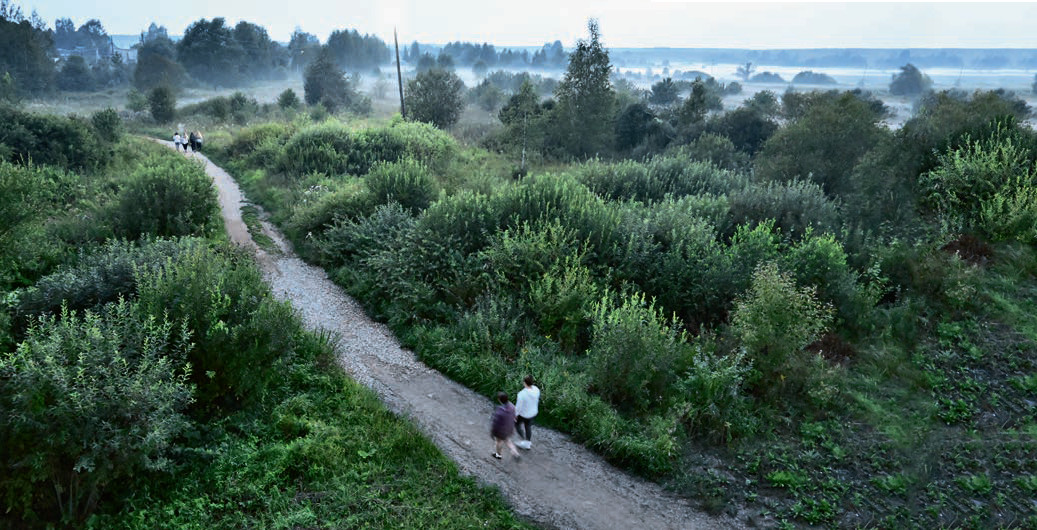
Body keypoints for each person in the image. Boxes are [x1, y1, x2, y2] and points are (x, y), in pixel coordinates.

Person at [490, 392, 520, 460]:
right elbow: (516, 416)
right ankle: (515, 453)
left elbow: (496, 422)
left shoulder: (500, 410)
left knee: (499, 441)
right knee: (507, 440)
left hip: (501, 430)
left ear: (499, 400)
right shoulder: (512, 406)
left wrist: (492, 431)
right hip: (509, 427)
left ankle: (498, 455)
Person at [514, 375, 540, 450]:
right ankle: (528, 443)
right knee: (528, 426)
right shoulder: (536, 390)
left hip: (524, 414)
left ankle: (523, 440)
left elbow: (518, 407)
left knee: (516, 425)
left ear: (524, 383)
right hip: (533, 412)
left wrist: (515, 415)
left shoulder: (521, 394)